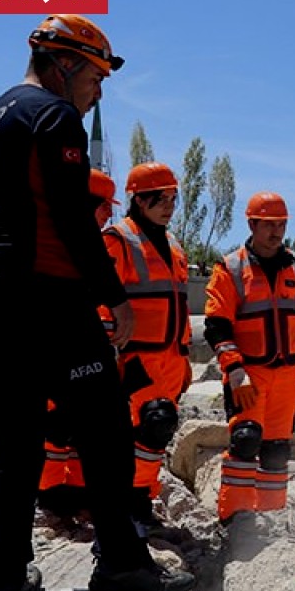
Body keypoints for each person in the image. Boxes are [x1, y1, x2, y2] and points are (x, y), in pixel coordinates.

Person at [0, 13, 194, 591]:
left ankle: (3, 579)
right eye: (96, 75)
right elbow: (71, 222)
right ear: (64, 63)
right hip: (47, 297)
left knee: (12, 437)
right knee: (107, 429)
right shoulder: (53, 116)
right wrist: (114, 297)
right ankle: (121, 565)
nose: (98, 90)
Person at [203, 191, 295, 524]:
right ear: (252, 224)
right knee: (246, 441)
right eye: (269, 225)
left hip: (287, 377)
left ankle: (271, 518)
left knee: (276, 451)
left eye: (282, 225)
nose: (277, 232)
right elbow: (216, 325)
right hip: (249, 376)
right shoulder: (230, 268)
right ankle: (234, 520)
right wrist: (234, 371)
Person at [102, 161, 192, 528]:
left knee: (157, 434)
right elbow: (101, 296)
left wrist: (184, 357)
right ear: (139, 199)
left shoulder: (172, 243)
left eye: (173, 198)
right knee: (146, 427)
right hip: (137, 355)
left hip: (171, 357)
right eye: (161, 198)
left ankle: (141, 498)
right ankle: (129, 504)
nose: (169, 206)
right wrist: (112, 348)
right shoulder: (119, 239)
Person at [37, 168, 119, 515]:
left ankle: (79, 490)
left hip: (89, 346)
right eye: (104, 207)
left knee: (86, 425)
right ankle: (51, 492)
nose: (109, 215)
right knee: (56, 426)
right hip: (58, 346)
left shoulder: (95, 245)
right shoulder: (56, 245)